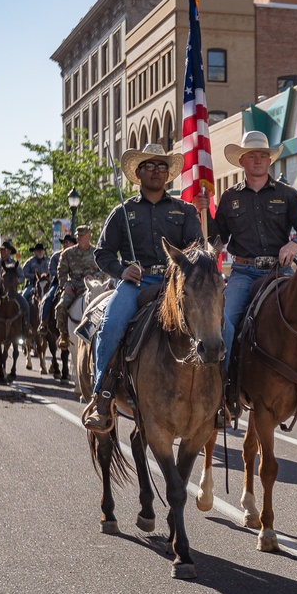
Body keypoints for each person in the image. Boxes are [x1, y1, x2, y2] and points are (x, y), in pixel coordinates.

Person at [84, 144, 200, 433]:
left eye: (162, 167)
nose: (157, 172)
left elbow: (197, 249)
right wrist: (122, 270)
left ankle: (217, 397)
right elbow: (102, 253)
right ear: (138, 173)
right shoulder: (122, 212)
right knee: (110, 326)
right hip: (137, 284)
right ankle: (103, 394)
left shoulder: (184, 210)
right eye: (150, 166)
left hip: (176, 284)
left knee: (212, 325)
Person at [197, 131, 297, 395]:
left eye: (263, 155)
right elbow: (217, 240)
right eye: (253, 156)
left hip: (280, 271)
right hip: (243, 272)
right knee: (223, 325)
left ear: (269, 161)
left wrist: (295, 243)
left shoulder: (288, 195)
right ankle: (221, 387)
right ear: (242, 161)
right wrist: (202, 212)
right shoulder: (229, 198)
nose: (259, 160)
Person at [54, 226, 100, 349]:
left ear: (89, 235)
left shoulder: (97, 253)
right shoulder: (68, 253)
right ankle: (63, 334)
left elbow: (105, 271)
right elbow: (61, 272)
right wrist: (66, 285)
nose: (79, 237)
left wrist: (94, 276)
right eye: (78, 235)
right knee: (61, 306)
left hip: (93, 288)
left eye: (82, 235)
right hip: (74, 288)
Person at [39, 234, 76, 332]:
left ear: (73, 244)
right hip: (58, 282)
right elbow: (51, 270)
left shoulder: (78, 255)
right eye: (64, 242)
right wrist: (63, 275)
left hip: (77, 282)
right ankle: (43, 323)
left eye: (67, 242)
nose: (65, 244)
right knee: (48, 298)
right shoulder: (56, 256)